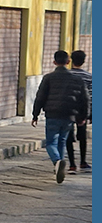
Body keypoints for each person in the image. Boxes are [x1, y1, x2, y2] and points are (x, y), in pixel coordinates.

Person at [32, 50, 89, 183]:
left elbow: (40, 97)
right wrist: (83, 117)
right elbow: (84, 99)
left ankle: (57, 161)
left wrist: (35, 114)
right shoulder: (78, 79)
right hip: (69, 115)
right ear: (68, 62)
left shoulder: (48, 78)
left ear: (54, 62)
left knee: (51, 142)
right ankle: (59, 164)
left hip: (52, 114)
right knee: (62, 140)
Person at [66, 49, 91, 173]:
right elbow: (91, 96)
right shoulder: (88, 77)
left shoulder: (67, 75)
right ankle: (83, 162)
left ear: (71, 60)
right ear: (84, 61)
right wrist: (90, 113)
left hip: (68, 110)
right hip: (82, 110)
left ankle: (72, 164)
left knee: (69, 137)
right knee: (82, 136)